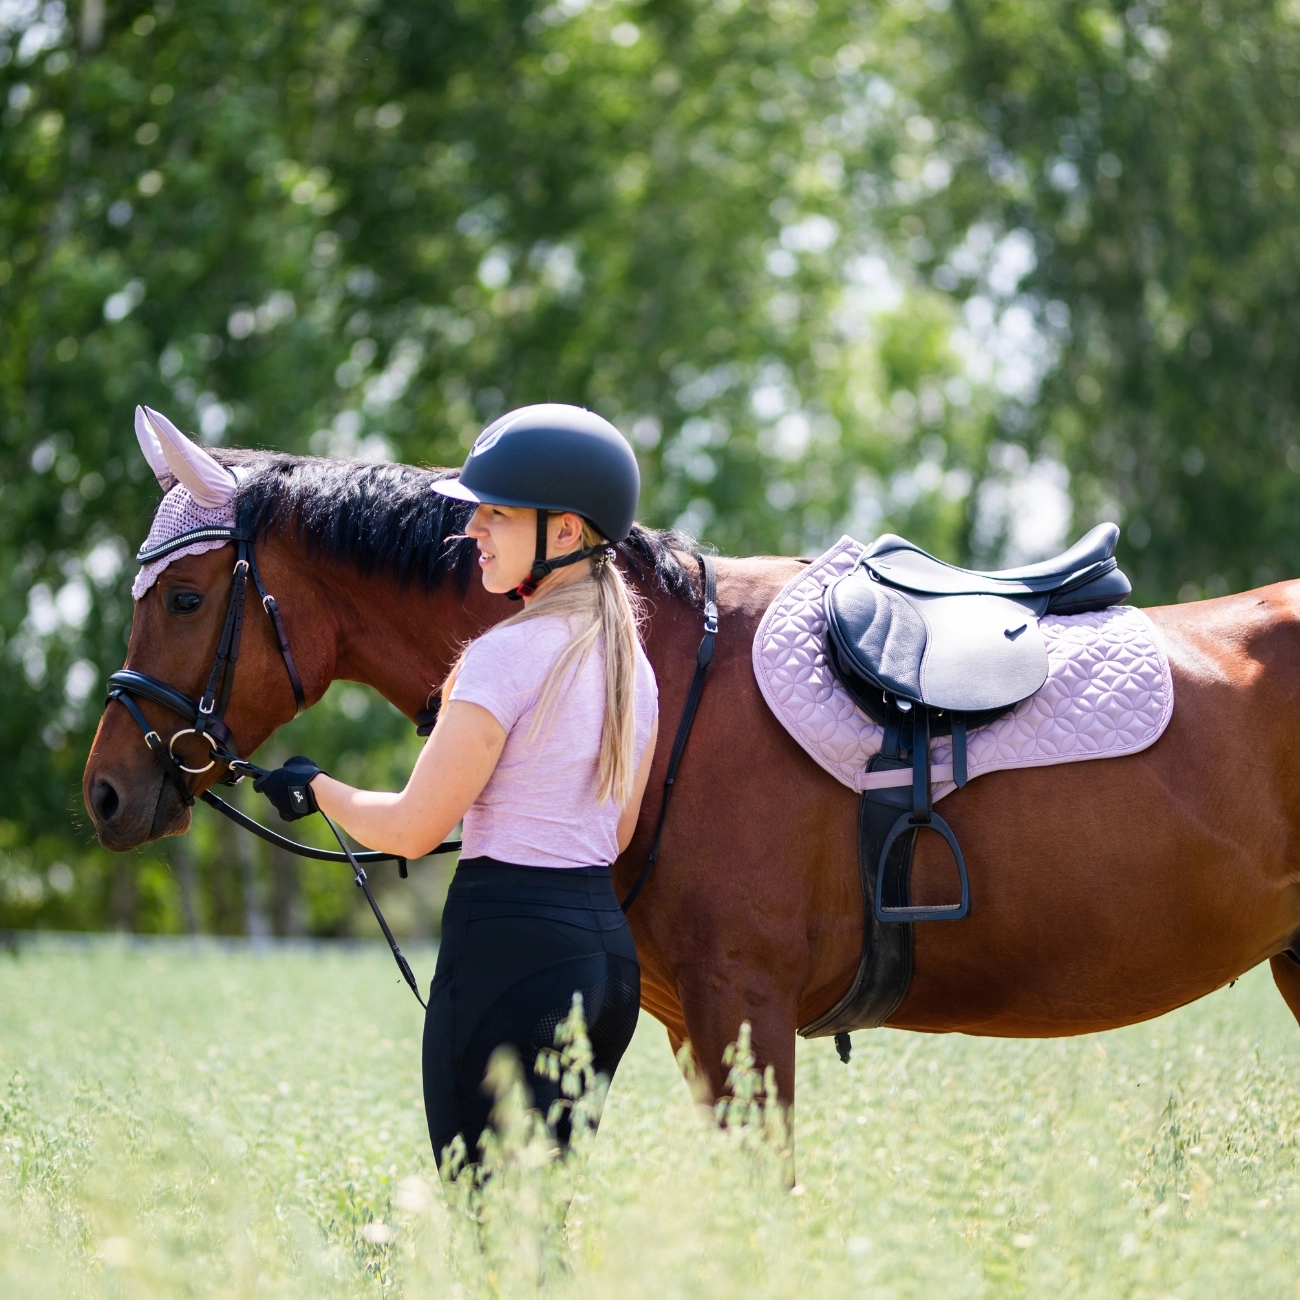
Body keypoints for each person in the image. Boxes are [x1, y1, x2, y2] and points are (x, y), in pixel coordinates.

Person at [253, 404, 658, 1172]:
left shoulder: (502, 657)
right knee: (540, 1219)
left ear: (565, 532)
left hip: (510, 957)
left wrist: (317, 788)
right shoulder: (632, 669)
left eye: (495, 514)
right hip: (603, 962)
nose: (472, 530)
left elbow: (409, 830)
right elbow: (619, 832)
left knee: (487, 1226)